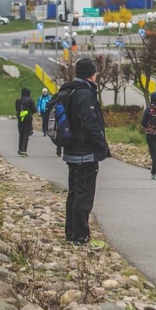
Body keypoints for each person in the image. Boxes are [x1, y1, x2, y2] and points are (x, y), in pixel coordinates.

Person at [61, 58, 110, 247]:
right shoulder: (85, 95)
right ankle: (81, 236)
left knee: (74, 193)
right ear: (92, 75)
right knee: (84, 195)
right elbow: (91, 125)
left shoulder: (70, 90)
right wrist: (102, 147)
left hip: (72, 151)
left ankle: (71, 232)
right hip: (85, 153)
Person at [15, 88, 37, 157]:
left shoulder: (18, 100)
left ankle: (20, 149)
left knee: (21, 134)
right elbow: (34, 109)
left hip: (20, 118)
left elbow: (16, 109)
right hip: (28, 119)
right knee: (26, 135)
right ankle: (23, 150)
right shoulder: (30, 100)